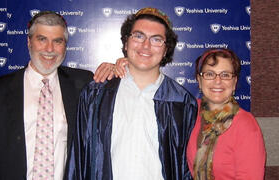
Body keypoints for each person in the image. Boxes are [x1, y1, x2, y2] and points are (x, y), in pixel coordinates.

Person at [65, 7, 197, 180]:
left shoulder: (182, 102)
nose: (146, 46)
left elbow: (186, 168)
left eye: (156, 39)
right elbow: (79, 158)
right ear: (126, 43)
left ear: (166, 50)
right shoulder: (96, 94)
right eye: (138, 36)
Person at [0, 11, 94, 180]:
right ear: (29, 41)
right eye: (42, 39)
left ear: (65, 45)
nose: (50, 49)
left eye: (57, 41)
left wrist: (120, 66)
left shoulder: (83, 83)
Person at [186, 48, 266, 179]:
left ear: (234, 82)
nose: (218, 81)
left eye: (225, 75)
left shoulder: (245, 125)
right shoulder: (191, 113)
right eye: (210, 74)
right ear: (199, 81)